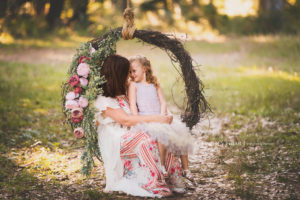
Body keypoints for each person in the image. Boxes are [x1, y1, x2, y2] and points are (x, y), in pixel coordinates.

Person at [93, 54, 186, 197]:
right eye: (126, 73)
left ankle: (173, 178)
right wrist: (159, 118)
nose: (129, 76)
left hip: (132, 134)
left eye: (130, 72)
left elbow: (147, 107)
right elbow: (126, 121)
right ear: (118, 75)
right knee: (147, 137)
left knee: (163, 133)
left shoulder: (123, 94)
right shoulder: (103, 101)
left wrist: (164, 117)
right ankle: (154, 182)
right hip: (118, 141)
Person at [128, 55, 195, 182]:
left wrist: (163, 115)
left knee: (181, 132)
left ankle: (186, 169)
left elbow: (163, 102)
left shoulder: (154, 83)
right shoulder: (134, 85)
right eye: (130, 72)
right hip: (146, 118)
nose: (132, 74)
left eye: (134, 70)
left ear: (144, 69)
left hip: (159, 115)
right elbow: (132, 104)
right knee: (162, 132)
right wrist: (136, 119)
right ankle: (162, 166)